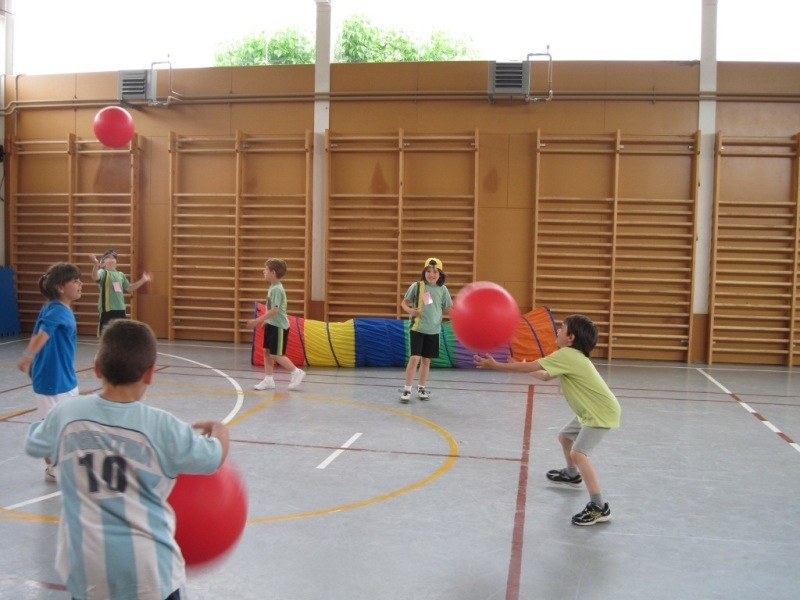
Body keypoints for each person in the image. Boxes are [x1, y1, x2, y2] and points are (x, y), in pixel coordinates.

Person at [24, 319, 230, 600]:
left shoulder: (67, 414)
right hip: (149, 573)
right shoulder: (163, 426)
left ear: (97, 368)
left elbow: (34, 442)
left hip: (86, 572)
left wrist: (69, 409)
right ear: (150, 374)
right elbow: (214, 457)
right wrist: (220, 429)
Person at [474, 313, 621, 526]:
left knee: (579, 453)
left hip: (600, 413)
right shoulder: (569, 356)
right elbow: (543, 374)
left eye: (562, 328)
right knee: (564, 438)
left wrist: (496, 365)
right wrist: (520, 365)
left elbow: (532, 366)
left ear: (570, 337)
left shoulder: (568, 355)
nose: (558, 331)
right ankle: (572, 474)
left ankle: (599, 506)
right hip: (590, 411)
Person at [17, 262, 83, 482]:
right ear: (60, 288)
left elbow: (37, 333)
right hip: (50, 379)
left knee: (70, 421)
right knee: (50, 427)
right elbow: (42, 335)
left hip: (65, 377)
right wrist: (28, 356)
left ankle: (64, 460)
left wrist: (31, 358)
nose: (80, 283)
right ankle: (53, 468)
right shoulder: (56, 311)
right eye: (74, 280)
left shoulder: (54, 307)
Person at [245, 258, 306, 391]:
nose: (263, 271)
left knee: (276, 355)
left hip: (279, 327)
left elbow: (275, 310)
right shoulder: (272, 287)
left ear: (273, 272)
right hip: (272, 324)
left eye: (265, 269)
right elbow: (270, 308)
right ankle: (268, 380)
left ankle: (296, 372)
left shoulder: (277, 289)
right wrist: (267, 322)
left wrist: (257, 320)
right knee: (266, 352)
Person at [398, 257, 453, 403]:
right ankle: (407, 388)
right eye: (429, 271)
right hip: (418, 328)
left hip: (434, 330)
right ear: (424, 272)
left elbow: (448, 308)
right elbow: (404, 302)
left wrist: (461, 316)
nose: (431, 274)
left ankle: (421, 387)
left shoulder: (443, 289)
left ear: (440, 274)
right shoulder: (417, 286)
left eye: (435, 272)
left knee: (426, 360)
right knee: (415, 357)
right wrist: (410, 311)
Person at [89, 249, 152, 336]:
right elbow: (95, 277)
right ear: (102, 264)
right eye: (108, 257)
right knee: (106, 335)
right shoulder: (103, 272)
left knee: (120, 335)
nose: (111, 257)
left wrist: (143, 280)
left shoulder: (120, 275)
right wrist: (95, 264)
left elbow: (130, 288)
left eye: (113, 257)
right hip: (108, 309)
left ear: (116, 263)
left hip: (120, 309)